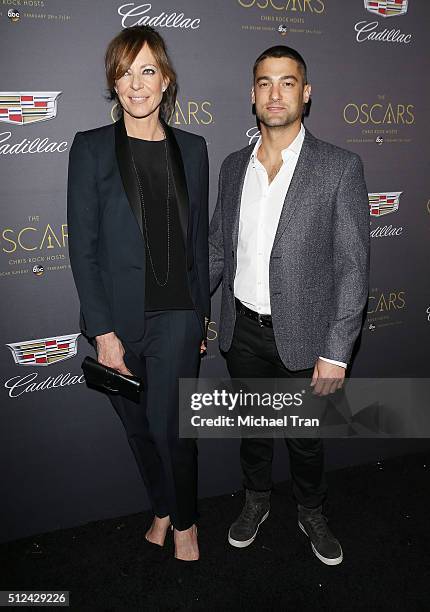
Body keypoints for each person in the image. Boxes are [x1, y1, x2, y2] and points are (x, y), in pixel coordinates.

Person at [209, 46, 369, 565]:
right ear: (252, 93)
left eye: (286, 82)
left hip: (305, 337)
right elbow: (217, 249)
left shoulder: (340, 167)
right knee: (253, 432)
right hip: (242, 332)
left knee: (305, 439)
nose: (274, 93)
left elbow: (352, 267)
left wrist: (337, 351)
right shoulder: (234, 167)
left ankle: (311, 510)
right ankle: (256, 502)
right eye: (264, 83)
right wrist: (186, 309)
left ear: (306, 92)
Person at [67, 26, 209, 562]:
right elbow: (83, 249)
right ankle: (162, 507)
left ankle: (187, 522)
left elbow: (198, 243)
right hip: (119, 324)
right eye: (124, 73)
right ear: (114, 83)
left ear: (165, 80)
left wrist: (201, 318)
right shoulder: (91, 149)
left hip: (177, 316)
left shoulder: (193, 150)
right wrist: (102, 333)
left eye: (146, 70)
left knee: (175, 432)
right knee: (139, 432)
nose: (135, 83)